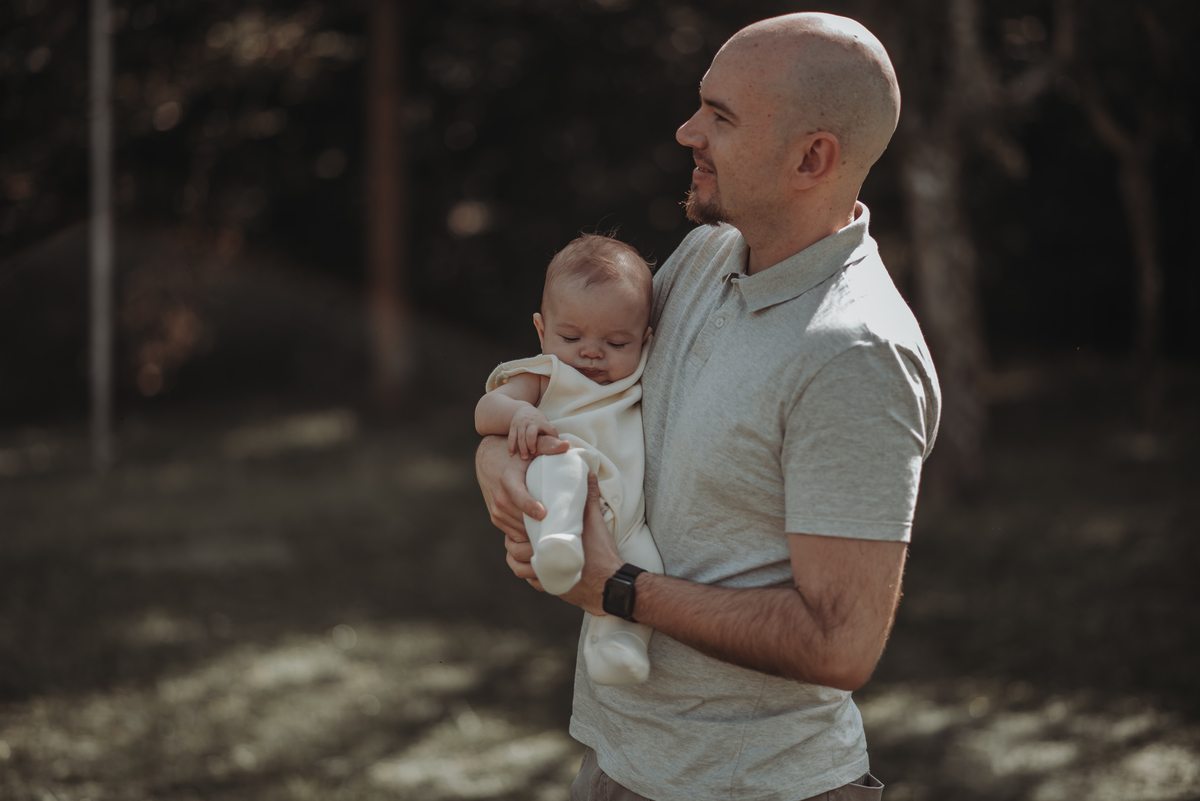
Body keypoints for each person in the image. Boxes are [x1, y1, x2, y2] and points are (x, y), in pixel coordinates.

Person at [477, 12, 941, 801]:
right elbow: (577, 383)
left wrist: (617, 587)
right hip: (621, 759)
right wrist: (496, 459)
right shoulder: (707, 253)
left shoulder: (855, 354)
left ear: (811, 157)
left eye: (720, 117)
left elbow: (840, 644)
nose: (687, 131)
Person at [475, 234, 664, 687]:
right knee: (567, 465)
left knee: (648, 572)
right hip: (558, 480)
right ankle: (559, 542)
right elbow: (485, 410)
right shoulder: (547, 373)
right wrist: (521, 414)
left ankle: (618, 644)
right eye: (571, 337)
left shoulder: (638, 375)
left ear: (645, 340)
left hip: (627, 520)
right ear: (542, 331)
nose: (592, 352)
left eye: (616, 342)